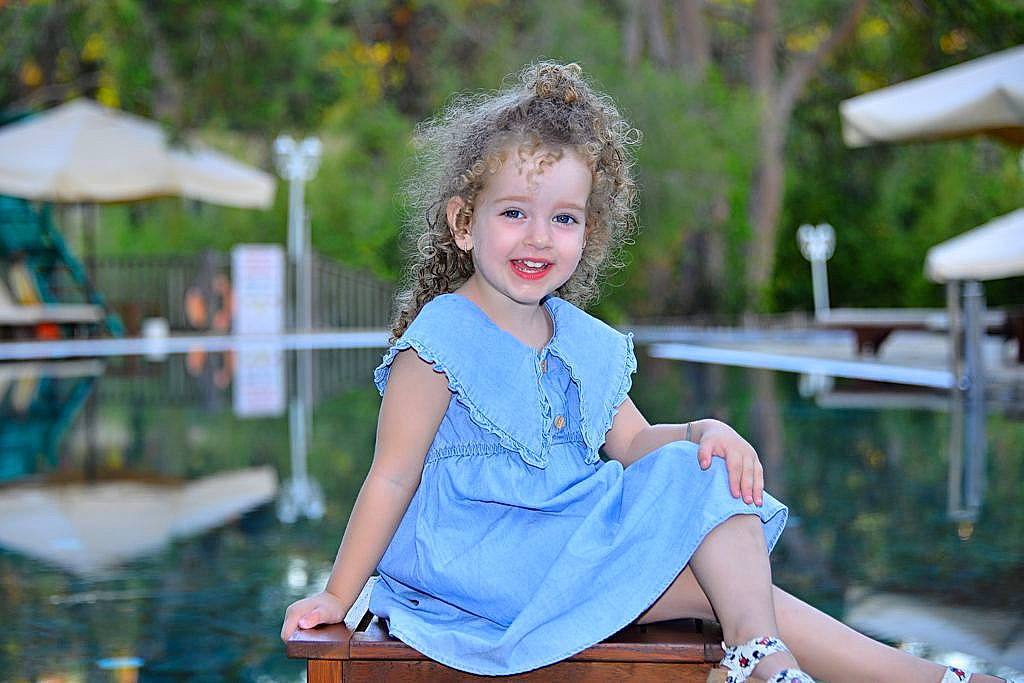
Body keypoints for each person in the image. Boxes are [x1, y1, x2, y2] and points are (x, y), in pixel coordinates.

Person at [281, 62, 1013, 683]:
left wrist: (703, 430)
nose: (540, 236)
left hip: (568, 539)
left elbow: (633, 443)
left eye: (564, 218)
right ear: (465, 222)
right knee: (728, 584)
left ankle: (779, 656)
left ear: (588, 233)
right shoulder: (441, 337)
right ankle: (901, 672)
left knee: (709, 482)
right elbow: (392, 477)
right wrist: (339, 594)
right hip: (483, 559)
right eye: (514, 213)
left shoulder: (581, 340)